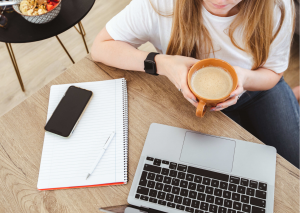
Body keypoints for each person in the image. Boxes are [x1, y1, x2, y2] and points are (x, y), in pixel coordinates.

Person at [91, 0, 299, 168]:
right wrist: (162, 63)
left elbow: (272, 72)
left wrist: (244, 79)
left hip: (258, 87)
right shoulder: (159, 5)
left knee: (294, 162)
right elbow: (100, 48)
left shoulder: (277, 6)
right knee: (229, 170)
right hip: (192, 100)